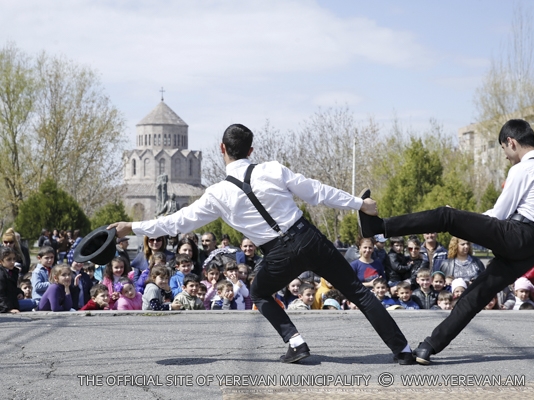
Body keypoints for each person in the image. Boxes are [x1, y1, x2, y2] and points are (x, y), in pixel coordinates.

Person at [109, 123, 413, 365]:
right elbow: (317, 192)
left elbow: (175, 222)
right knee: (358, 292)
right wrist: (360, 203)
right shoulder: (272, 169)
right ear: (251, 150)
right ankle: (403, 350)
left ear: (222, 149)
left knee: (259, 291)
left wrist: (132, 226)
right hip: (308, 236)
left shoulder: (217, 194)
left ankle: (295, 342)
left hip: (277, 253)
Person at [358, 119, 534, 364]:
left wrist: (461, 221)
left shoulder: (523, 169)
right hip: (533, 247)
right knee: (476, 295)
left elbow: (500, 213)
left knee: (445, 216)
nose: (506, 157)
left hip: (515, 233)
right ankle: (428, 347)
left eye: (504, 150)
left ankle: (378, 227)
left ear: (511, 142)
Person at [0, 247, 35, 313]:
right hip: (4, 304)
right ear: (1, 261)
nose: (12, 262)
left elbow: (12, 288)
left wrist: (19, 293)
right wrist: (8, 309)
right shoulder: (1, 274)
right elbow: (1, 294)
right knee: (33, 303)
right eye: (9, 259)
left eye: (14, 259)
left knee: (32, 303)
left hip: (12, 301)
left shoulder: (13, 271)